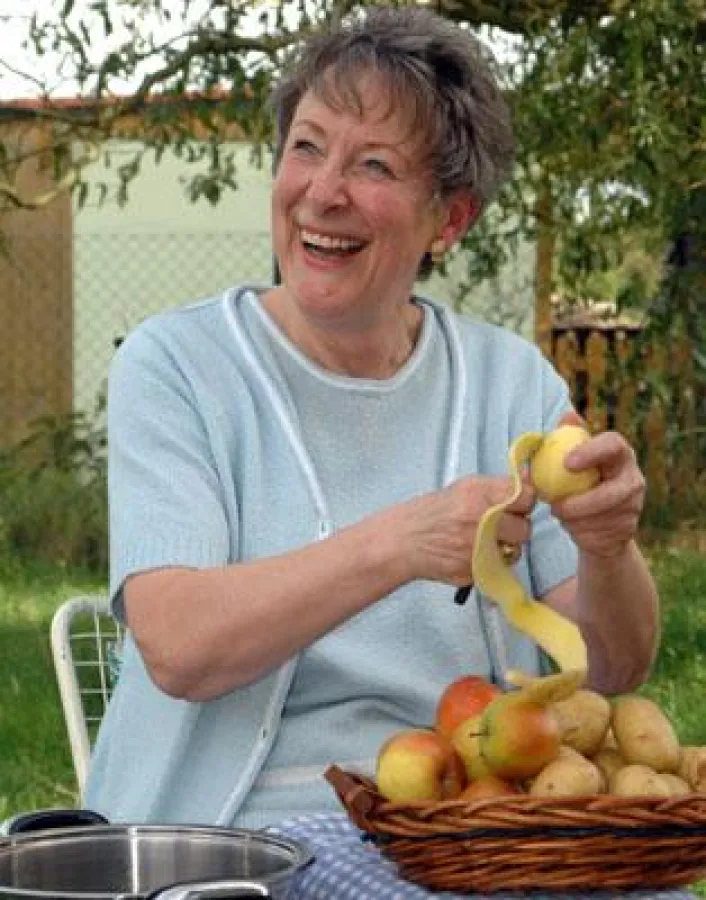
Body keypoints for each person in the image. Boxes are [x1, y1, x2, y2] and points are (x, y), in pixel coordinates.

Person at [85, 5, 659, 829]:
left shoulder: (510, 382)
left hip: (474, 825)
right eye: (307, 148)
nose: (324, 193)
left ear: (449, 219)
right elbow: (178, 645)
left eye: (375, 166)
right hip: (243, 833)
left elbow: (612, 669)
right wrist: (399, 544)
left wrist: (608, 549)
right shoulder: (179, 365)